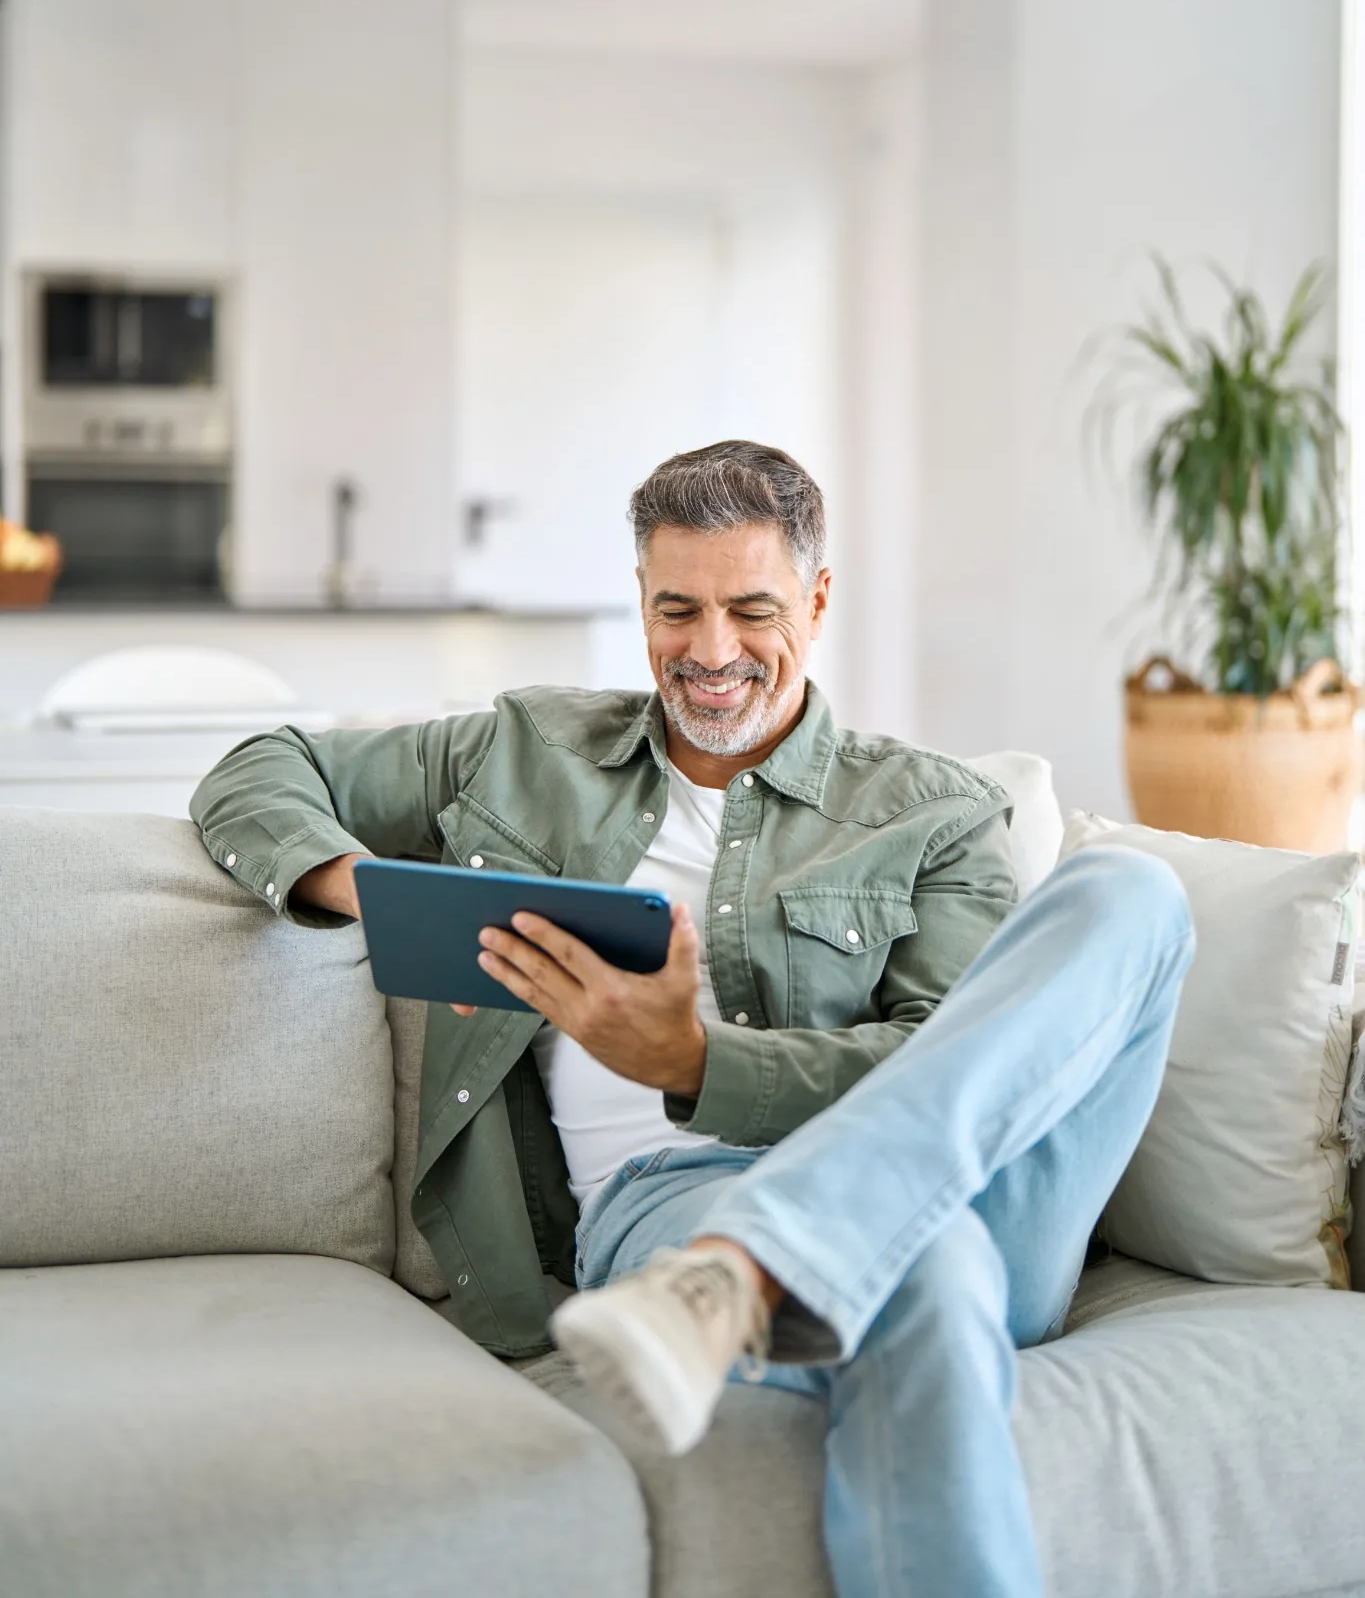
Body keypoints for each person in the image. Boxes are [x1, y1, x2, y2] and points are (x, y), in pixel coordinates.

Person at [191, 439, 1192, 1598]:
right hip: (676, 1200)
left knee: (1133, 892)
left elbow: (943, 1057)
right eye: (678, 609)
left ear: (817, 602)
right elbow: (258, 768)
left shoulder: (933, 814)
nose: (711, 653)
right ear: (640, 601)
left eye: (751, 609)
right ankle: (764, 1258)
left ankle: (754, 1266)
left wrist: (699, 1059)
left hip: (974, 1184)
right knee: (925, 1267)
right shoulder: (522, 750)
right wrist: (372, 889)